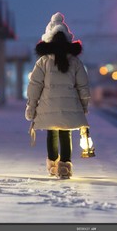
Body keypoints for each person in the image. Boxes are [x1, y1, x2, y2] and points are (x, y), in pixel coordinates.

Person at [25, 12, 91, 179]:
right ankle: (65, 167)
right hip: (70, 106)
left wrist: (31, 107)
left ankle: (53, 165)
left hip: (48, 106)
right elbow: (83, 86)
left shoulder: (43, 61)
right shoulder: (75, 62)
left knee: (52, 132)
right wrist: (84, 106)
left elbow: (34, 86)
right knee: (65, 132)